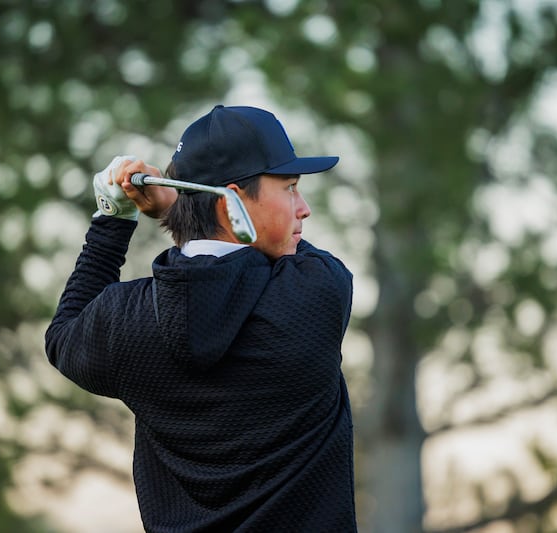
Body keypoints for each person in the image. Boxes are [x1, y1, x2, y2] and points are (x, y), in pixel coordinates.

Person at [45, 105, 356, 532]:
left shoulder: (129, 320)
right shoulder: (315, 293)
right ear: (232, 203)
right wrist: (179, 208)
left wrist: (115, 218)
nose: (302, 208)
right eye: (289, 187)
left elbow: (63, 335)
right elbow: (287, 250)